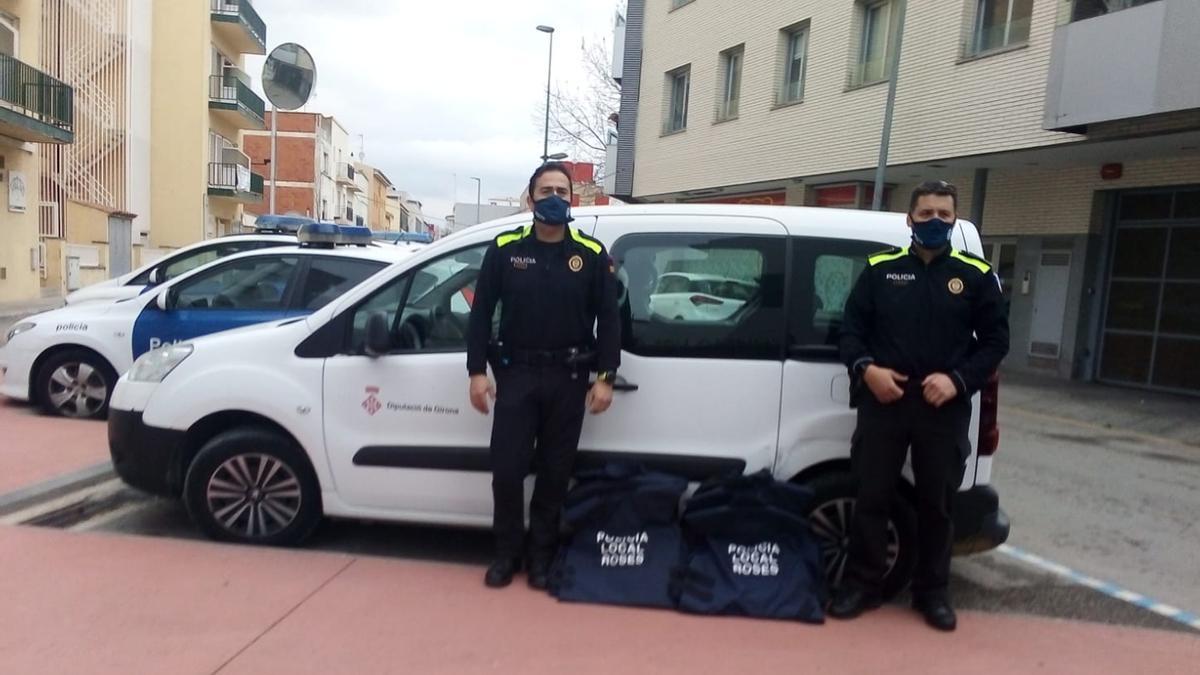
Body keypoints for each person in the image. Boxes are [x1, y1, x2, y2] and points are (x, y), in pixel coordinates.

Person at [831, 181, 1009, 631]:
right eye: (925, 214)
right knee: (871, 499)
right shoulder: (879, 269)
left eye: (943, 216)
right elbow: (849, 332)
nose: (933, 222)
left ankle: (932, 594)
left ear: (953, 220)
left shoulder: (975, 275)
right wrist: (867, 369)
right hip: (883, 401)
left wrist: (958, 381)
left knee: (937, 506)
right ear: (909, 220)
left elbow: (994, 342)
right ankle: (861, 585)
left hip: (942, 407)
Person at [466, 162, 621, 590]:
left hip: (568, 378)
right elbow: (480, 314)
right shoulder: (504, 247)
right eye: (545, 189)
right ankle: (505, 555)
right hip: (515, 376)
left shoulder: (590, 254)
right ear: (530, 197)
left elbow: (609, 321)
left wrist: (606, 376)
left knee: (555, 475)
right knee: (508, 471)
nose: (554, 197)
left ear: (572, 198)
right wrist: (477, 372)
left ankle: (541, 558)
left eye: (562, 190)